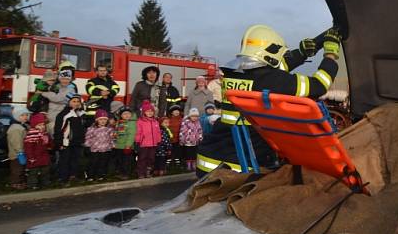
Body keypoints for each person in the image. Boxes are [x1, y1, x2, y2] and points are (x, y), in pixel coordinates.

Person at [196, 25, 341, 177]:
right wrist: (330, 54)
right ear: (270, 52)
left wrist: (303, 52)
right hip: (238, 168)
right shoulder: (274, 81)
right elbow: (319, 85)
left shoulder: (233, 74)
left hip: (208, 158)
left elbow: (275, 68)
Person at [55, 92, 85, 186]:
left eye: (78, 101)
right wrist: (59, 143)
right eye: (74, 101)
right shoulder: (64, 114)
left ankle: (73, 176)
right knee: (65, 161)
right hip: (66, 142)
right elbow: (59, 129)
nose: (76, 103)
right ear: (68, 102)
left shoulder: (80, 114)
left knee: (75, 160)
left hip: (77, 142)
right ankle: (63, 179)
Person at [42, 69, 77, 136]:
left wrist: (44, 93)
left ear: (70, 80)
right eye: (63, 79)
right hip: (51, 113)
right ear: (59, 79)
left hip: (61, 114)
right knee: (49, 130)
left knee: (57, 130)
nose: (65, 81)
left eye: (67, 79)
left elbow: (59, 99)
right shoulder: (56, 86)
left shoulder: (71, 89)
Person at [23, 113, 52, 190]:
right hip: (34, 157)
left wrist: (50, 145)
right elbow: (28, 147)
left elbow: (48, 143)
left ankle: (45, 183)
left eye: (43, 125)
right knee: (33, 172)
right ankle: (32, 184)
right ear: (34, 125)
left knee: (45, 170)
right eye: (39, 125)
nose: (42, 127)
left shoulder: (45, 134)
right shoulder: (31, 135)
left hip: (43, 156)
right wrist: (30, 157)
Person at [84, 109, 115, 181]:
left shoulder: (109, 129)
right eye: (101, 119)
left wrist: (112, 146)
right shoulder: (92, 129)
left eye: (105, 119)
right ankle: (90, 175)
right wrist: (87, 146)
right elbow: (88, 138)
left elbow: (112, 138)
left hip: (105, 149)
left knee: (103, 163)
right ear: (96, 120)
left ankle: (100, 175)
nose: (103, 121)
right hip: (95, 149)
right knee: (93, 162)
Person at [134, 100, 161, 179]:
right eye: (148, 111)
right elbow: (138, 132)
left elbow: (158, 133)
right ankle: (141, 173)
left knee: (151, 159)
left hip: (153, 144)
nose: (150, 113)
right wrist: (137, 142)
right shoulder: (140, 122)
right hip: (143, 144)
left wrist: (158, 142)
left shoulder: (155, 121)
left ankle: (148, 172)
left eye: (151, 111)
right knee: (142, 159)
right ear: (144, 112)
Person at [7, 106, 30, 190]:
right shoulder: (16, 128)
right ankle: (15, 183)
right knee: (17, 169)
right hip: (17, 154)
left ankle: (22, 182)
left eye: (26, 115)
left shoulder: (22, 126)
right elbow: (16, 142)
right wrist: (20, 152)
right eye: (22, 115)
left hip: (23, 152)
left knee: (22, 169)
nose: (25, 117)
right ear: (16, 116)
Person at [113, 106, 137, 180]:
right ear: (121, 116)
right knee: (120, 160)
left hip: (127, 146)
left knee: (126, 161)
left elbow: (131, 135)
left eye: (128, 113)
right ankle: (121, 172)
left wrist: (128, 145)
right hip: (119, 146)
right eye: (124, 114)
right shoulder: (120, 123)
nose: (127, 115)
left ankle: (126, 174)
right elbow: (116, 133)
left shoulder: (131, 123)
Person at [167, 104, 183, 169]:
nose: (176, 112)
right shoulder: (169, 119)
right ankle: (169, 162)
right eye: (175, 111)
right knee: (170, 151)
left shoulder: (181, 119)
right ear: (171, 112)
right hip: (171, 139)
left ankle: (177, 162)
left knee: (177, 151)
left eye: (178, 111)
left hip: (178, 139)